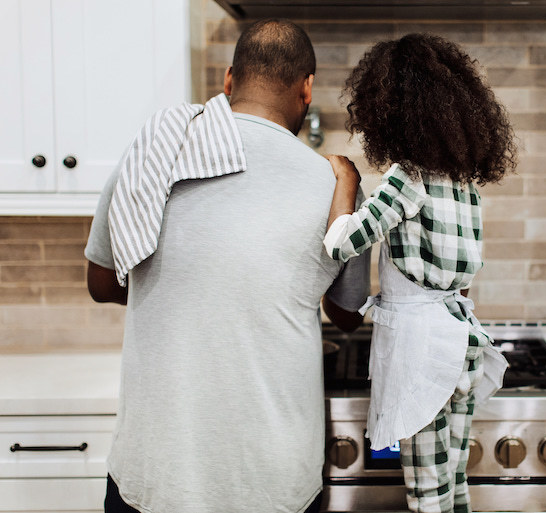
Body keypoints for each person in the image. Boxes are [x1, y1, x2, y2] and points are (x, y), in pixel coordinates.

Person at [85, 19, 370, 513]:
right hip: (272, 484)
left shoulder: (154, 152)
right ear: (306, 88)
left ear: (228, 81)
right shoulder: (334, 186)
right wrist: (344, 191)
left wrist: (186, 284)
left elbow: (101, 281)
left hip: (153, 476)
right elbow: (346, 314)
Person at [323, 34, 518, 513]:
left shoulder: (405, 177)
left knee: (427, 495)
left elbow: (341, 243)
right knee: (452, 484)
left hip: (423, 350)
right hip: (460, 343)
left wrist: (348, 183)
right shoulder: (464, 182)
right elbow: (463, 272)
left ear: (387, 110)